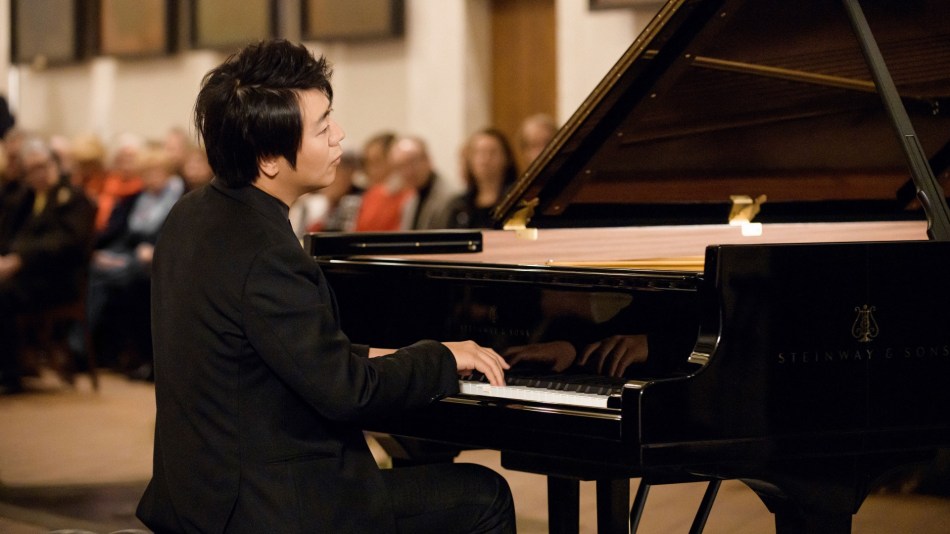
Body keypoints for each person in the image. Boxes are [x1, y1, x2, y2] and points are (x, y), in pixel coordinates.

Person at [136, 39, 515, 533]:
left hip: (201, 492)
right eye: (322, 126)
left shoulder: (193, 213)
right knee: (485, 495)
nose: (339, 135)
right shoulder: (267, 253)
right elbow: (349, 394)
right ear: (270, 158)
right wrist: (439, 357)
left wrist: (381, 352)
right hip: (269, 507)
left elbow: (282, 351)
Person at [0, 136, 95, 394]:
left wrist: (19, 259)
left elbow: (65, 243)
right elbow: (8, 236)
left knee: (3, 295)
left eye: (43, 165)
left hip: (57, 281)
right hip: (24, 277)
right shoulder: (25, 198)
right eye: (31, 170)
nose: (38, 174)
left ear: (54, 163)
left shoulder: (73, 198)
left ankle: (10, 374)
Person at [87, 145, 184, 376]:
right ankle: (93, 349)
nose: (150, 177)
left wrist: (153, 250)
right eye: (147, 172)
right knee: (95, 273)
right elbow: (123, 234)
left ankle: (88, 347)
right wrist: (106, 254)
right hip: (133, 255)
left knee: (130, 282)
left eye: (155, 171)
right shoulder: (140, 198)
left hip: (163, 261)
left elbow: (178, 235)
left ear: (167, 171)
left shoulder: (182, 196)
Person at [445, 128, 519, 229]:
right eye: (479, 153)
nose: (485, 159)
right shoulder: (459, 206)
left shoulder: (517, 201)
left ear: (506, 158)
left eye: (492, 152)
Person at [389, 135, 457, 230]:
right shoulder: (409, 203)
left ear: (428, 159)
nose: (408, 171)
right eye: (401, 166)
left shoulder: (452, 197)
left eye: (412, 162)